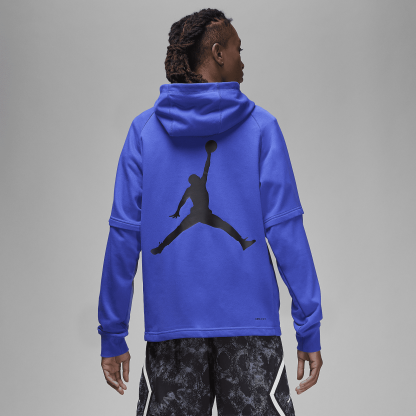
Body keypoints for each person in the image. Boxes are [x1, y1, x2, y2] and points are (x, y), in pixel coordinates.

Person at [97, 8, 323, 416]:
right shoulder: (261, 127)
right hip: (251, 332)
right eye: (238, 50)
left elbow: (124, 236)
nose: (242, 60)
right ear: (218, 53)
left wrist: (113, 333)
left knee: (202, 227)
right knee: (210, 226)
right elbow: (286, 229)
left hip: (172, 332)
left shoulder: (144, 131)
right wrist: (309, 326)